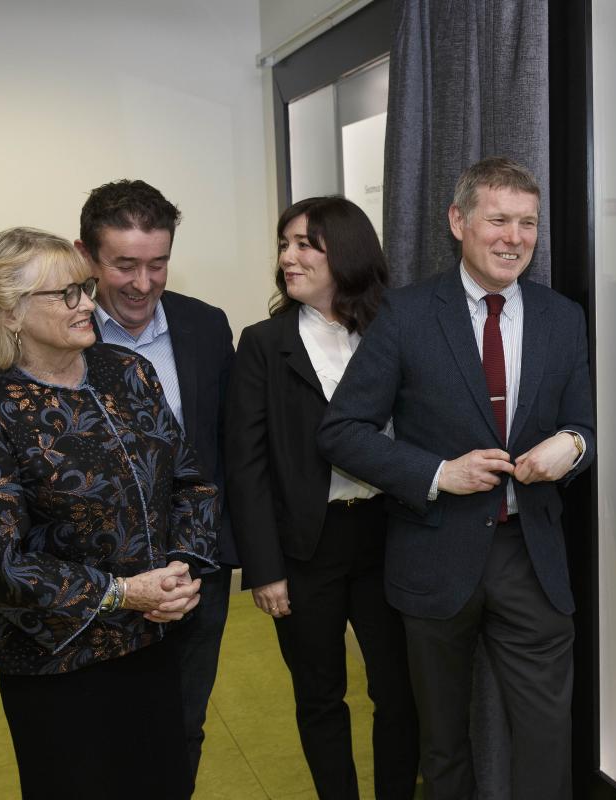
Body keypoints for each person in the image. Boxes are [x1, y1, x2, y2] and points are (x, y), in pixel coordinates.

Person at [318, 157, 596, 799]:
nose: (514, 237)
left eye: (527, 222)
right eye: (498, 219)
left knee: (548, 737)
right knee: (442, 745)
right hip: (435, 554)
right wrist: (438, 472)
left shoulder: (562, 317)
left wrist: (573, 445)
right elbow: (341, 431)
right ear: (458, 222)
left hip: (533, 558)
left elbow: (587, 423)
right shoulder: (408, 315)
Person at [0, 227, 218, 799]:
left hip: (152, 641)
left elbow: (188, 482)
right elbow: (2, 567)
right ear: (10, 311)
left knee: (164, 782)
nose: (89, 303)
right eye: (67, 294)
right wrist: (124, 593)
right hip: (57, 664)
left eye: (85, 287)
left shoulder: (128, 373)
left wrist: (180, 570)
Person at [225, 196, 419, 799]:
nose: (289, 256)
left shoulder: (397, 327)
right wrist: (265, 569)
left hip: (392, 535)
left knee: (399, 691)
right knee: (319, 695)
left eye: (305, 243)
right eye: (285, 244)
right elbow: (246, 465)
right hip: (307, 545)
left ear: (347, 251)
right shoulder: (263, 343)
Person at [75, 179, 236, 781]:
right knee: (102, 738)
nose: (143, 284)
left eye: (158, 264)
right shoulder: (64, 339)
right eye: (124, 265)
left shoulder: (207, 327)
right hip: (101, 582)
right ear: (86, 257)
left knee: (182, 726)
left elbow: (225, 451)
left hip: (194, 572)